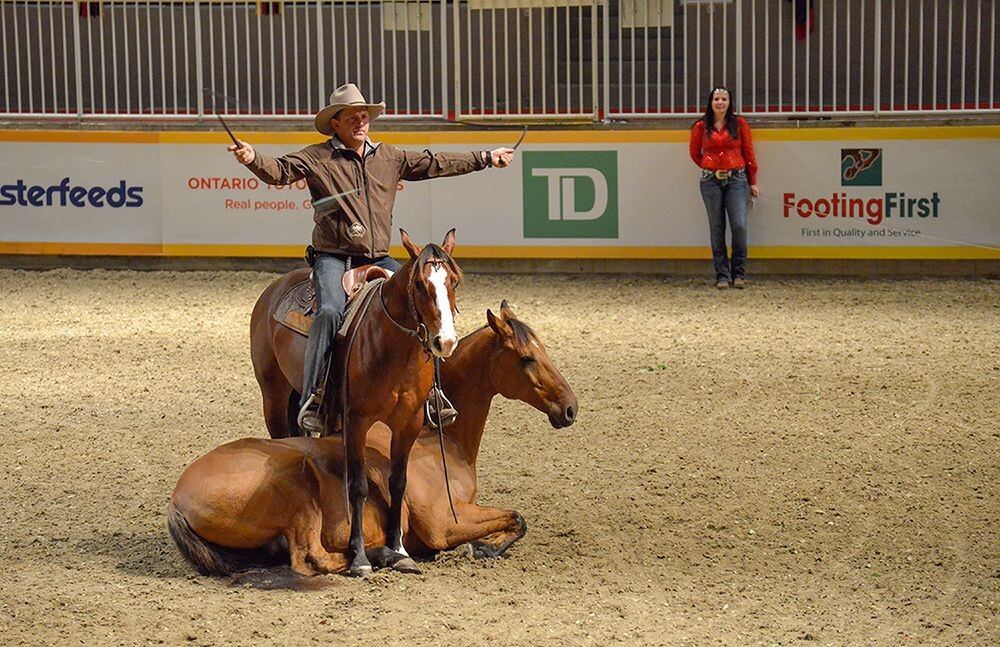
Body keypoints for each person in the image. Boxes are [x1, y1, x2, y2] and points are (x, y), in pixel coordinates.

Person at [230, 82, 515, 434]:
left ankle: (433, 392)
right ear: (335, 123)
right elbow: (279, 171)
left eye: (364, 116)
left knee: (425, 304)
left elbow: (436, 163)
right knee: (331, 311)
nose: (361, 123)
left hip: (380, 256)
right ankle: (317, 395)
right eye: (352, 117)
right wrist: (252, 159)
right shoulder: (317, 158)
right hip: (332, 259)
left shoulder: (389, 157)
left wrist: (485, 158)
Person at [689, 86, 759, 289]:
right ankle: (722, 274)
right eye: (716, 99)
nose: (720, 103)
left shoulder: (740, 124)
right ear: (710, 103)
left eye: (724, 99)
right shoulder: (701, 127)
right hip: (710, 181)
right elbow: (695, 153)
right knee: (717, 227)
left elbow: (748, 152)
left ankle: (739, 272)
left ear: (730, 103)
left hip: (736, 178)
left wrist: (751, 179)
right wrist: (709, 166)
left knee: (739, 225)